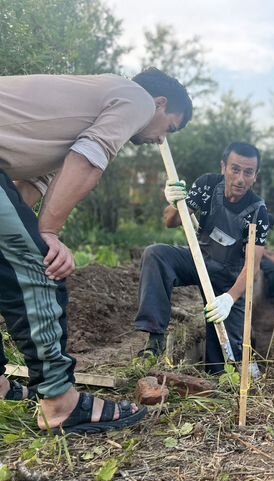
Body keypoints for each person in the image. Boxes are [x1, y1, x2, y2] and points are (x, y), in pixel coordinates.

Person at [0, 68, 193, 433]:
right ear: (160, 104)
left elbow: (26, 189)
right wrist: (48, 235)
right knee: (43, 269)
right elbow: (89, 159)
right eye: (168, 127)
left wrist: (31, 234)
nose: (159, 140)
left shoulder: (76, 108)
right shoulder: (136, 97)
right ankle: (60, 403)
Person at [134, 142, 269, 376]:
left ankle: (219, 374)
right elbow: (171, 222)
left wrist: (228, 298)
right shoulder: (207, 186)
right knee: (156, 254)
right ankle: (154, 341)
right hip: (199, 259)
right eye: (235, 169)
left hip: (230, 278)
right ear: (223, 167)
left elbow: (252, 266)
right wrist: (175, 202)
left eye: (248, 172)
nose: (240, 179)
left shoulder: (258, 212)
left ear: (255, 176)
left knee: (224, 362)